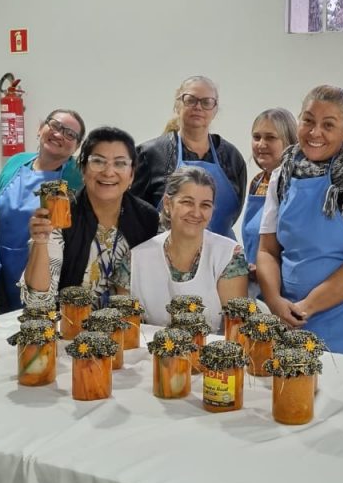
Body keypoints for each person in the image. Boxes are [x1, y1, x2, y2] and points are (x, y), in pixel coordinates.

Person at [256, 85, 343, 358]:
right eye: (308, 121)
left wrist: (307, 306)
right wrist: (274, 300)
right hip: (290, 317)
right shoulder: (284, 171)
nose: (315, 132)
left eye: (328, 125)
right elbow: (267, 250)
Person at [23, 126, 159, 306]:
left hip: (129, 328)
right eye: (98, 161)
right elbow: (38, 300)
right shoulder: (60, 214)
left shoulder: (147, 218)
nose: (109, 172)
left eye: (120, 163)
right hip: (70, 328)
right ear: (82, 168)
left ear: (132, 174)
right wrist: (40, 242)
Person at [119, 166, 247, 332]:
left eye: (205, 205)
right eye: (187, 202)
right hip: (149, 355)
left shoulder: (229, 256)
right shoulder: (134, 260)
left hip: (212, 355)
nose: (196, 213)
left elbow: (238, 330)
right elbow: (125, 333)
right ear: (167, 204)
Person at [131, 76, 246, 239]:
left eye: (206, 102)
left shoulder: (232, 158)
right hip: (161, 258)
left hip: (222, 259)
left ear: (215, 109)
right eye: (190, 100)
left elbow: (234, 215)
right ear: (177, 105)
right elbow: (133, 216)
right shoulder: (150, 154)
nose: (198, 107)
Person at [0, 108, 85, 307]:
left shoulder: (78, 178)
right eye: (55, 125)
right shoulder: (16, 163)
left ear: (76, 147)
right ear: (40, 128)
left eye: (70, 134)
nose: (59, 134)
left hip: (44, 274)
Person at [242, 108, 297, 278]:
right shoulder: (257, 182)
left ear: (289, 142)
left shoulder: (296, 184)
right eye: (256, 137)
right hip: (255, 281)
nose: (261, 144)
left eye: (270, 138)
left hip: (284, 283)